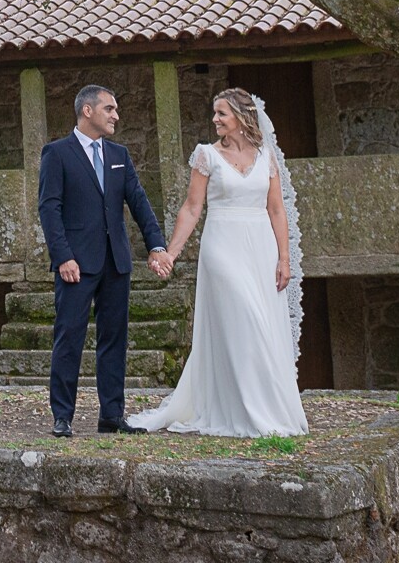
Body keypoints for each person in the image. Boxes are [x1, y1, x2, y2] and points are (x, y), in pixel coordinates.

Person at [126, 86, 309, 437]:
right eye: (215, 113)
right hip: (222, 244)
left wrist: (285, 259)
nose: (215, 119)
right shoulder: (206, 155)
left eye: (221, 113)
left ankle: (267, 406)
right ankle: (248, 411)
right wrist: (171, 253)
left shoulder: (266, 156)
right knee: (244, 316)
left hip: (260, 246)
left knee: (262, 324)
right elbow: (192, 208)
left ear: (241, 116)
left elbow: (276, 209)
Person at [37, 84, 171, 438]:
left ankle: (112, 416)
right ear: (88, 111)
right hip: (76, 265)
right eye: (109, 109)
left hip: (116, 262)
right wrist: (63, 256)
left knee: (114, 340)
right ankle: (62, 416)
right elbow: (49, 208)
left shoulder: (119, 154)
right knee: (69, 339)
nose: (116, 115)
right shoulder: (57, 153)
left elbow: (139, 202)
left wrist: (156, 246)